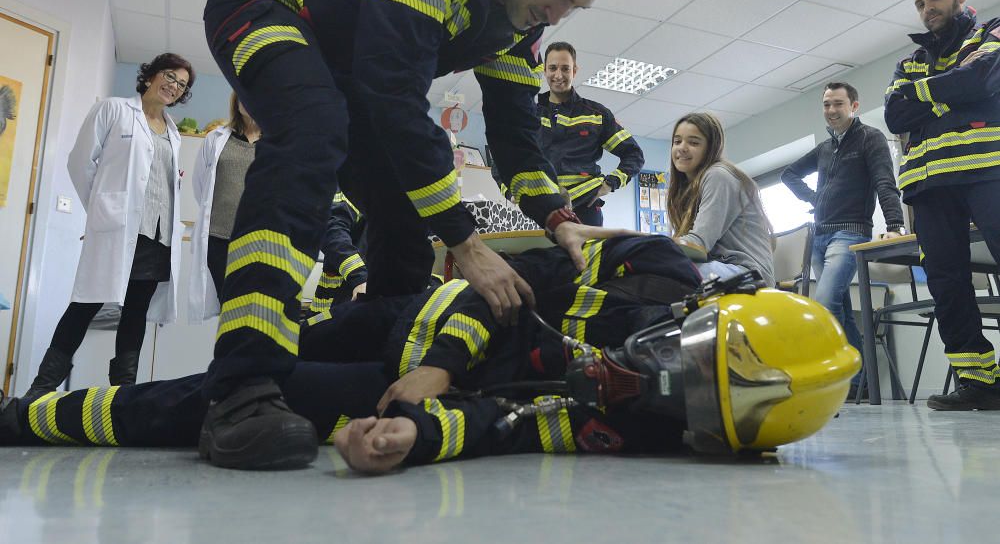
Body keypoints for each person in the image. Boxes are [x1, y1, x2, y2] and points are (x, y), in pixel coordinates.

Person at [199, 0, 624, 469]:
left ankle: (379, 350)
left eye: (576, 7)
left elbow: (515, 141)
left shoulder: (516, 28)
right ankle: (240, 386)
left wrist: (561, 221)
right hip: (265, 0)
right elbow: (392, 91)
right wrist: (465, 244)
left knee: (399, 205)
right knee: (312, 130)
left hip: (345, 63)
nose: (557, 17)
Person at [0, 235, 859, 476]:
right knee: (255, 353)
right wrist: (442, 369)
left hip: (403, 383)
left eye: (686, 393)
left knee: (238, 396)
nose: (650, 371)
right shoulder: (658, 268)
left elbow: (514, 427)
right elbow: (508, 288)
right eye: (684, 347)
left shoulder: (642, 429)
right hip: (411, 325)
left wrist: (419, 436)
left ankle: (24, 422)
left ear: (716, 437)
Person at [22, 54, 194, 400]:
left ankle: (122, 395)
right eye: (170, 76)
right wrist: (100, 211)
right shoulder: (114, 110)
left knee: (135, 314)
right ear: (150, 76)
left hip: (157, 237)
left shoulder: (174, 132)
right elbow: (80, 162)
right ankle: (40, 390)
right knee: (85, 304)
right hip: (119, 231)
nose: (173, 86)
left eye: (182, 84)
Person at [884, 0, 1000, 411]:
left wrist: (924, 97)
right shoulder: (908, 62)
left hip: (987, 170)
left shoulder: (989, 35)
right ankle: (979, 381)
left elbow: (981, 80)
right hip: (929, 185)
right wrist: (951, 93)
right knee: (947, 283)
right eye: (920, 3)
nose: (927, 8)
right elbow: (895, 115)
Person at [781, 82, 905, 396]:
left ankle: (839, 381)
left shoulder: (869, 138)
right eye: (826, 104)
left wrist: (895, 224)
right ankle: (859, 382)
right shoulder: (825, 148)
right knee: (843, 312)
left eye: (838, 103)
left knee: (823, 305)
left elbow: (883, 182)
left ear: (854, 106)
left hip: (850, 234)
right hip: (820, 236)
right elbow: (789, 174)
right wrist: (816, 198)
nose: (832, 110)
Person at [537, 41, 645, 226]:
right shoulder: (530, 113)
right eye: (553, 68)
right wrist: (512, 192)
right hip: (543, 208)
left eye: (565, 68)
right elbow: (504, 156)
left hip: (586, 209)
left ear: (575, 71)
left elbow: (634, 155)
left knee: (588, 256)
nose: (558, 75)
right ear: (544, 70)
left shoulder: (596, 114)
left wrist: (611, 184)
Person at [667, 112, 775, 287]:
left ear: (710, 148)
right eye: (677, 141)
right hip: (720, 267)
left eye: (693, 142)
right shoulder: (684, 190)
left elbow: (699, 245)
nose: (682, 147)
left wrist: (647, 245)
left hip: (748, 274)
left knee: (666, 270)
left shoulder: (718, 175)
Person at [189, 91, 261, 323]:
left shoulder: (275, 143)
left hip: (256, 241)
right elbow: (200, 184)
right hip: (218, 240)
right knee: (229, 310)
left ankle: (245, 359)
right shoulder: (217, 138)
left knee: (254, 312)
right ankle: (229, 358)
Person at [305, 193, 368, 320]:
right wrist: (359, 277)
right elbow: (332, 230)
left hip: (379, 305)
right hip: (343, 304)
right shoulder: (356, 182)